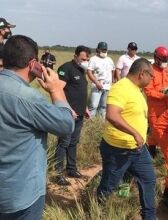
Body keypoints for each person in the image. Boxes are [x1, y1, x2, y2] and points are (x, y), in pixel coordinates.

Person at [0, 35, 74, 220]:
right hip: (20, 194)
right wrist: (56, 90)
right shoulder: (29, 98)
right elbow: (66, 124)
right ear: (32, 63)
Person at [96, 58, 156, 220]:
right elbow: (112, 115)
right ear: (142, 73)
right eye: (151, 76)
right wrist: (135, 133)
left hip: (137, 149)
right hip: (118, 149)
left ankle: (149, 217)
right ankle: (97, 212)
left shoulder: (136, 89)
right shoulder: (121, 88)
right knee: (109, 185)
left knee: (148, 179)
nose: (152, 79)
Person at [54, 45, 91, 186]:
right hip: (68, 114)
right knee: (64, 142)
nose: (84, 61)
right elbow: (58, 90)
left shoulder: (82, 70)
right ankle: (58, 174)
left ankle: (71, 169)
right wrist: (69, 109)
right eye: (82, 58)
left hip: (80, 113)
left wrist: (85, 108)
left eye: (86, 59)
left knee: (73, 142)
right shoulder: (66, 68)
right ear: (75, 56)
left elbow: (80, 90)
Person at [144, 46, 168, 158]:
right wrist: (163, 95)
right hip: (155, 108)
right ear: (156, 58)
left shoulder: (167, 69)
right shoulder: (150, 71)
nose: (165, 63)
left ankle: (167, 152)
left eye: (166, 60)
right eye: (163, 60)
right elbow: (149, 91)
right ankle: (152, 153)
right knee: (155, 130)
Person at [87, 41, 115, 119]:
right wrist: (96, 83)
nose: (104, 51)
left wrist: (112, 81)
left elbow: (113, 70)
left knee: (103, 107)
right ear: (98, 50)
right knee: (93, 106)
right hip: (97, 86)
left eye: (105, 50)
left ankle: (100, 123)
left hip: (107, 87)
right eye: (102, 49)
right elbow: (89, 72)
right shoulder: (93, 59)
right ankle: (90, 122)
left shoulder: (109, 59)